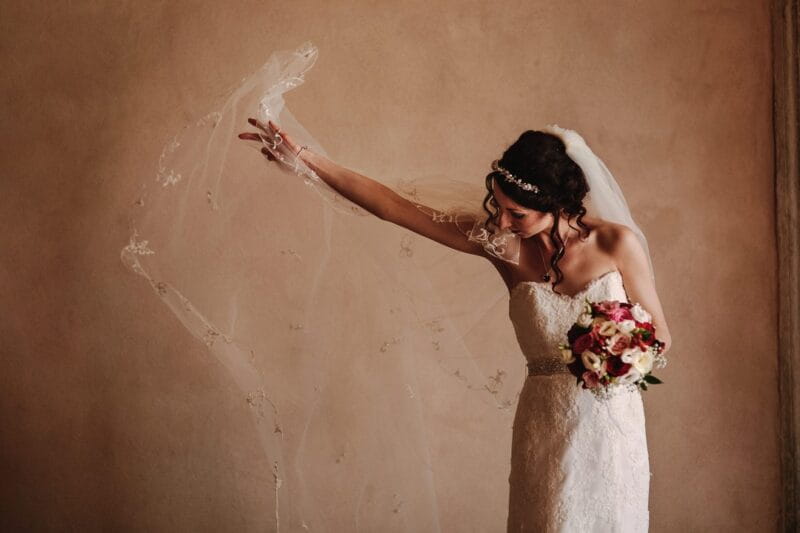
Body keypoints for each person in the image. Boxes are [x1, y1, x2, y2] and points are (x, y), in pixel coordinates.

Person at [239, 118, 672, 532]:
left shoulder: (617, 243)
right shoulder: (501, 245)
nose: (501, 222)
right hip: (546, 424)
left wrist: (615, 353)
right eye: (497, 207)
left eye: (516, 213)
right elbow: (393, 207)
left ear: (556, 205)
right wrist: (307, 160)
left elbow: (661, 337)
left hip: (611, 425)